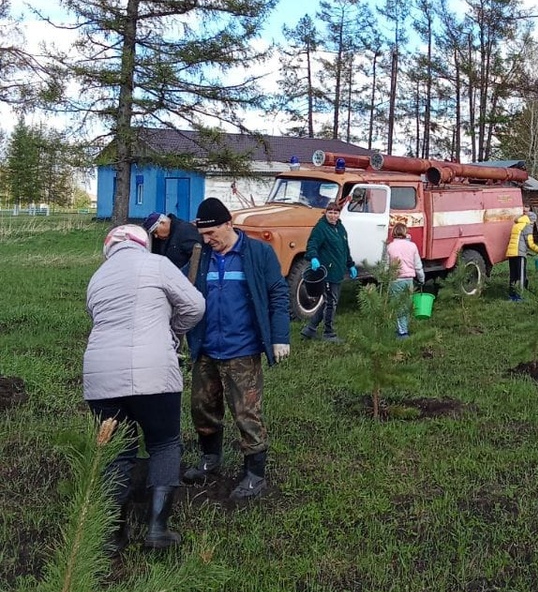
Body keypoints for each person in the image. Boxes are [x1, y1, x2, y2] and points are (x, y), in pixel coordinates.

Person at [83, 223, 206, 551]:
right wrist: (172, 332)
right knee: (164, 443)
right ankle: (157, 530)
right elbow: (195, 306)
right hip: (153, 373)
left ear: (109, 248)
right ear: (143, 244)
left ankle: (113, 535)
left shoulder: (97, 279)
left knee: (117, 451)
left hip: (100, 377)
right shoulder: (158, 264)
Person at [184, 197, 290, 499]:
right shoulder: (199, 256)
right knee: (202, 408)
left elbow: (278, 294)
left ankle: (255, 475)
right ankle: (210, 461)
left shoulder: (258, 253)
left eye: (212, 233)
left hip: (242, 351)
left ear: (229, 223)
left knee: (246, 413)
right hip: (206, 349)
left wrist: (280, 336)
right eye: (203, 235)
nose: (207, 240)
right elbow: (176, 285)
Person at [301, 201, 358, 343]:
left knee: (329, 300)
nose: (333, 216)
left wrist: (350, 264)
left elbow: (345, 249)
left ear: (339, 214)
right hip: (328, 270)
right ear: (325, 213)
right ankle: (329, 333)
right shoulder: (321, 228)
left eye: (335, 213)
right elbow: (312, 244)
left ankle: (310, 329)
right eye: (330, 212)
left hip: (338, 271)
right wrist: (313, 257)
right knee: (331, 302)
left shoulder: (340, 228)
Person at [386, 221, 425, 337]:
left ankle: (402, 332)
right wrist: (421, 278)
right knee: (407, 305)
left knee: (397, 305)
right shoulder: (412, 246)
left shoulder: (390, 247)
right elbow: (418, 265)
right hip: (409, 280)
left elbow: (386, 265)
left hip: (395, 280)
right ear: (405, 232)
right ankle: (404, 327)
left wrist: (384, 277)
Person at [506, 210, 538, 301]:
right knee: (521, 275)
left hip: (511, 253)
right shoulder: (527, 226)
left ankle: (512, 295)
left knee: (513, 275)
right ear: (532, 220)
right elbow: (530, 243)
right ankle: (520, 296)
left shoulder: (517, 224)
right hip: (519, 254)